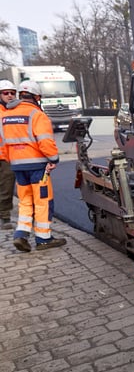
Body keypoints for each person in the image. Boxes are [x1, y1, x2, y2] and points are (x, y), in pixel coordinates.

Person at [0, 80, 65, 252]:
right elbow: (45, 142)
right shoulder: (37, 115)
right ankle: (44, 239)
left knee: (25, 201)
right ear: (37, 97)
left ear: (20, 95)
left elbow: (3, 143)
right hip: (37, 167)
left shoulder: (6, 116)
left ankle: (21, 234)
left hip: (17, 167)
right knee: (43, 202)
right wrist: (54, 159)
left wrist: (11, 160)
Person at [0, 80, 17, 229]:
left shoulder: (15, 111)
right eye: (6, 93)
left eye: (12, 93)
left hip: (7, 156)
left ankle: (4, 216)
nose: (10, 95)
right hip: (3, 154)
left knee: (7, 185)